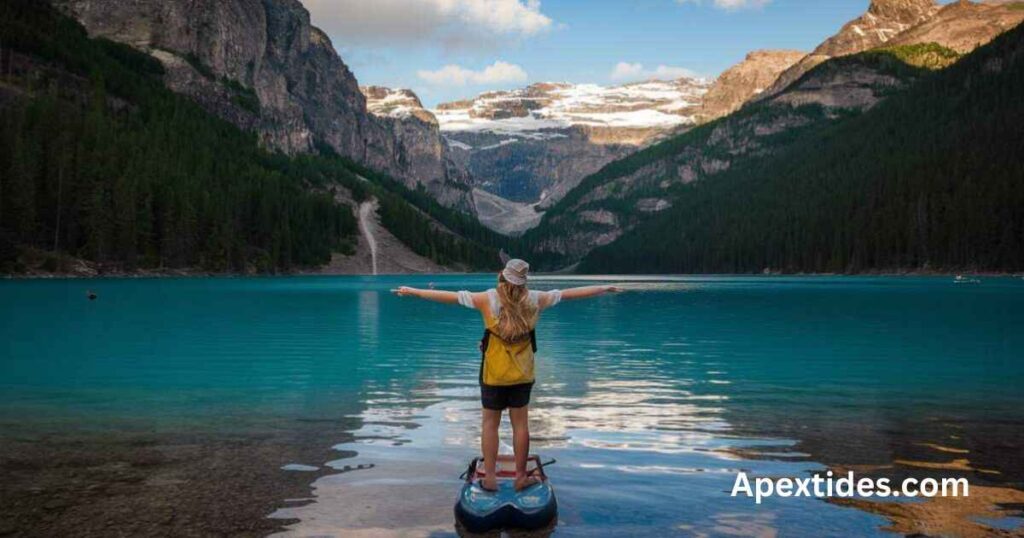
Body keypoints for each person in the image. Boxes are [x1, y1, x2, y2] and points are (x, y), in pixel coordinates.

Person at [393, 259, 620, 491]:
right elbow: (569, 294)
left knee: (490, 425)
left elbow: (449, 297)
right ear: (524, 281)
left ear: (502, 276)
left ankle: (490, 479)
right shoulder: (536, 299)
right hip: (522, 375)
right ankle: (521, 477)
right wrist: (602, 288)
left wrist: (414, 291)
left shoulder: (487, 299)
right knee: (520, 426)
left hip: (494, 375)